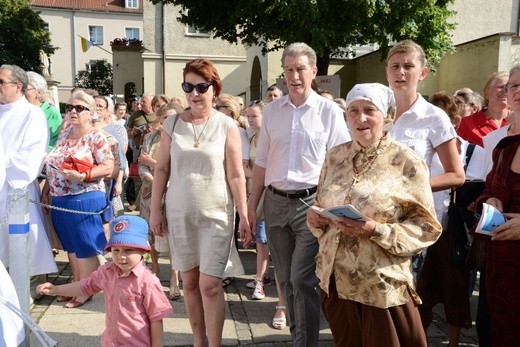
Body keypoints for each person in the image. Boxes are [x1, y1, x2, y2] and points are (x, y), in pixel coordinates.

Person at [307, 83, 441, 346]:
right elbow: (321, 203)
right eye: (353, 110)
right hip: (335, 280)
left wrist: (375, 230)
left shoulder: (406, 161)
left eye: (369, 110)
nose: (361, 118)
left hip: (380, 286)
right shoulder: (335, 156)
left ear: (387, 116)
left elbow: (427, 227)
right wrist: (316, 220)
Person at [247, 42, 350, 346]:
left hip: (311, 203)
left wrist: (329, 207)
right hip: (275, 202)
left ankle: (304, 343)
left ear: (313, 71)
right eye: (289, 69)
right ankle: (300, 338)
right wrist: (252, 207)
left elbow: (340, 165)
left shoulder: (329, 111)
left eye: (300, 69)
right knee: (285, 281)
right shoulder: (273, 111)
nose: (294, 76)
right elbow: (262, 163)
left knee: (301, 279)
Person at [149, 58, 252, 347]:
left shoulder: (227, 125)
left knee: (210, 284)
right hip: (180, 213)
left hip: (216, 213)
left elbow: (235, 175)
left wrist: (244, 214)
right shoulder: (172, 123)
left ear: (214, 89)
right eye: (188, 87)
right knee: (190, 283)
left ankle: (214, 344)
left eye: (201, 87)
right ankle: (199, 341)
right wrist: (155, 210)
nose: (194, 93)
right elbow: (161, 170)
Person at [385, 40, 465, 280]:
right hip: (377, 218)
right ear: (386, 72)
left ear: (422, 73)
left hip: (413, 220)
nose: (401, 72)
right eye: (395, 66)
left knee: (405, 293)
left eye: (408, 66)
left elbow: (456, 175)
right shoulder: (377, 111)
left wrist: (410, 186)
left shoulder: (434, 117)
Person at [37, 215, 173, 347]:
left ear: (143, 251)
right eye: (116, 250)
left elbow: (156, 319)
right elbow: (85, 286)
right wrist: (56, 289)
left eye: (128, 250)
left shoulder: (148, 281)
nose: (121, 257)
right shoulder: (107, 272)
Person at [42, 91, 114, 308]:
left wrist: (84, 175)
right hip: (60, 198)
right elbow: (54, 166)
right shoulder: (64, 135)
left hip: (85, 198)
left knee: (85, 246)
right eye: (69, 107)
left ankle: (86, 289)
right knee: (70, 247)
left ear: (91, 112)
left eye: (79, 108)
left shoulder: (96, 136)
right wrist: (46, 189)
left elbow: (109, 167)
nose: (73, 111)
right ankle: (75, 284)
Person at [416, 91, 475, 346]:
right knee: (422, 293)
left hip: (453, 231)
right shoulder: (421, 146)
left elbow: (479, 187)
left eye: (447, 117)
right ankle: (420, 339)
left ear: (455, 120)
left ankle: (453, 343)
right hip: (423, 227)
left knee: (455, 292)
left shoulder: (473, 151)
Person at [470, 64, 520, 347]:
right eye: (513, 85)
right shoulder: (504, 145)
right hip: (500, 268)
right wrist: (489, 200)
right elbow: (488, 189)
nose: (518, 91)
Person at [0, 64, 57, 276]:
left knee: (19, 251)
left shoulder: (32, 115)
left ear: (18, 86)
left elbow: (31, 156)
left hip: (14, 188)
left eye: (1, 82)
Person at [244, 100, 288, 329]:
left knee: (280, 252)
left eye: (254, 116)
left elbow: (267, 169)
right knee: (261, 243)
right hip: (257, 195)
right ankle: (260, 280)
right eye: (248, 117)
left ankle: (283, 302)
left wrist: (252, 172)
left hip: (274, 196)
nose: (250, 121)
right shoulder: (251, 139)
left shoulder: (275, 136)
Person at [138, 102, 182, 300]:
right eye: (165, 118)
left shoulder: (181, 140)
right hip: (150, 192)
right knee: (151, 232)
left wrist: (153, 163)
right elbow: (141, 165)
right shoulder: (150, 137)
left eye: (172, 117)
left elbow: (178, 169)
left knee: (172, 235)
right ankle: (154, 268)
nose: (167, 121)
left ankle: (174, 278)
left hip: (174, 192)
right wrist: (157, 181)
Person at [457, 72, 510, 147]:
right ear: (486, 93)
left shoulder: (516, 123)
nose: (505, 90)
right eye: (500, 87)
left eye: (509, 88)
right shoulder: (467, 124)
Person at [25, 71, 62, 152]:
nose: (22, 92)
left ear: (39, 92)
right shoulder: (19, 111)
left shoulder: (51, 113)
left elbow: (55, 142)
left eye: (25, 89)